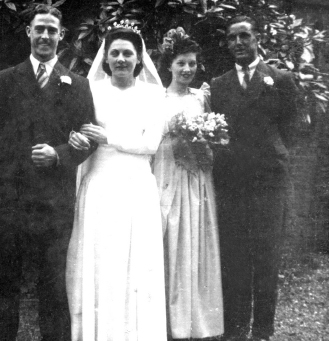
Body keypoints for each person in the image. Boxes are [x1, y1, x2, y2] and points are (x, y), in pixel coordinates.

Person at [0, 4, 96, 341]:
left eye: (51, 30)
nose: (44, 36)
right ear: (28, 32)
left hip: (54, 201)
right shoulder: (7, 78)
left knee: (53, 286)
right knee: (3, 281)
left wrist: (59, 154)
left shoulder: (77, 84)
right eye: (39, 29)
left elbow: (88, 140)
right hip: (12, 197)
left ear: (62, 36)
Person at [66, 25, 167, 340]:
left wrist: (109, 136)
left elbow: (150, 144)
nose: (121, 59)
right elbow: (78, 133)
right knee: (101, 261)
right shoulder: (90, 90)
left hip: (137, 185)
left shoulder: (153, 94)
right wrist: (77, 139)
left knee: (138, 262)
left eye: (128, 53)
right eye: (115, 53)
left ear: (139, 59)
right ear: (106, 59)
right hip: (100, 185)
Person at [211, 16, 298, 341]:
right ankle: (235, 328)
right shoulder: (219, 86)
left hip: (268, 183)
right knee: (234, 257)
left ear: (257, 38)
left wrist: (271, 155)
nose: (238, 43)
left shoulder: (281, 80)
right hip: (232, 184)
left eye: (244, 36)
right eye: (232, 38)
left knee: (266, 258)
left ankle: (262, 330)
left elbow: (291, 129)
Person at [152, 29, 224, 340]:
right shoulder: (156, 98)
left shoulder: (201, 97)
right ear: (169, 65)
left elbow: (215, 137)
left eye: (192, 63)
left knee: (196, 242)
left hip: (197, 179)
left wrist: (205, 142)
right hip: (168, 175)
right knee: (169, 242)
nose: (187, 69)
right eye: (181, 63)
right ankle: (168, 323)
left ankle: (197, 321)